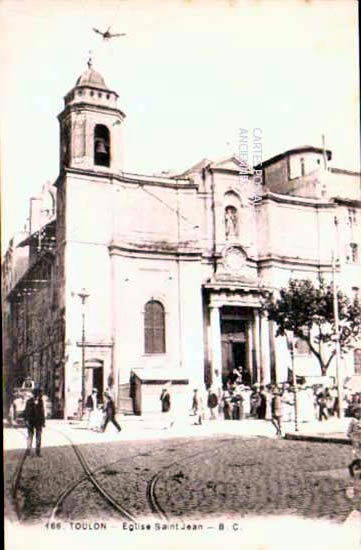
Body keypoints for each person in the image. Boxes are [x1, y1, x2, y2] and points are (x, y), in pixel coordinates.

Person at [24, 388, 45, 457]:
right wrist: (26, 420)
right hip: (31, 421)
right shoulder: (29, 401)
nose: (40, 395)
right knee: (30, 436)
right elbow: (26, 412)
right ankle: (28, 450)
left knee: (38, 437)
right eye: (40, 394)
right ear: (36, 394)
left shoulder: (41, 401)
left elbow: (42, 412)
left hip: (38, 422)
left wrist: (43, 421)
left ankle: (38, 451)